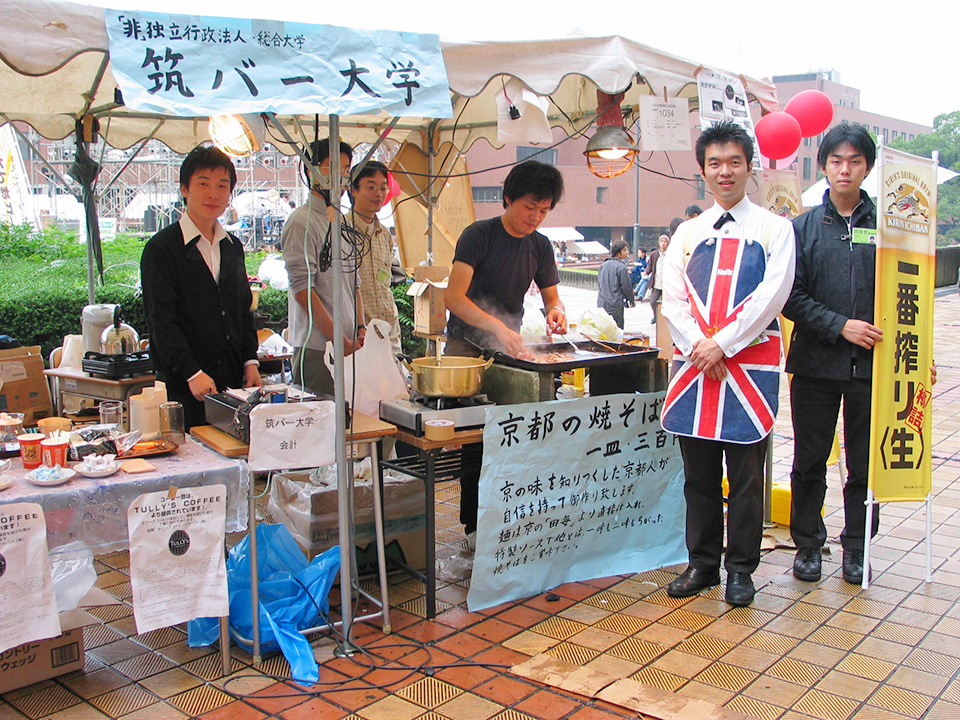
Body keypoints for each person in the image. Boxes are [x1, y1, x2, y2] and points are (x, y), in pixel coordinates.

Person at [660, 121, 796, 607]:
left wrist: (725, 345)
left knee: (744, 479)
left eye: (734, 161)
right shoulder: (688, 233)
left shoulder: (776, 229)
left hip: (747, 371)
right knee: (698, 474)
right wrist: (702, 345)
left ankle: (741, 569)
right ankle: (702, 563)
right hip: (698, 368)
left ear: (749, 166)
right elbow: (671, 298)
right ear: (702, 170)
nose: (724, 171)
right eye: (714, 163)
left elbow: (772, 295)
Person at [445, 160, 567, 547]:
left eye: (544, 210)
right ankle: (473, 527)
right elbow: (453, 297)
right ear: (508, 198)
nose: (535, 217)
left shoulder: (540, 245)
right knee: (475, 440)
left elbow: (552, 297)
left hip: (509, 350)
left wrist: (556, 312)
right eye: (529, 207)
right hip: (467, 351)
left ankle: (508, 518)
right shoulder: (478, 235)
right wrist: (496, 325)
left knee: (512, 435)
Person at [783, 125, 885, 584]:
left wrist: (919, 353)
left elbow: (912, 295)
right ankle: (808, 544)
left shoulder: (889, 229)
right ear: (822, 166)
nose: (845, 169)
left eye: (855, 161)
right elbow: (790, 296)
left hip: (874, 368)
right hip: (815, 366)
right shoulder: (801, 229)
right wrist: (839, 325)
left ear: (867, 166)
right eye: (836, 161)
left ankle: (857, 548)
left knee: (865, 462)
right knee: (810, 460)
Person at [141, 145, 262, 430]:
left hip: (232, 384)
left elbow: (242, 310)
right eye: (203, 184)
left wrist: (250, 361)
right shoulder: (162, 249)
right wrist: (191, 371)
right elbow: (160, 321)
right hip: (183, 386)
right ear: (184, 189)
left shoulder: (232, 247)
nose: (213, 194)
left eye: (222, 186)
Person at [281, 138, 366, 396]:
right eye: (333, 166)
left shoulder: (340, 219)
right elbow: (302, 291)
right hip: (318, 349)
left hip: (350, 345)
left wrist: (361, 328)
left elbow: (355, 283)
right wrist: (339, 341)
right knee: (322, 427)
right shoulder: (301, 222)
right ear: (311, 170)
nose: (341, 175)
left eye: (346, 168)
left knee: (351, 424)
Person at [347, 160, 402, 355]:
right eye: (370, 187)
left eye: (383, 188)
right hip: (358, 335)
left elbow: (384, 281)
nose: (378, 193)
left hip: (389, 330)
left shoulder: (385, 235)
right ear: (353, 190)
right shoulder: (341, 231)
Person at [597, 239, 635, 328]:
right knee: (617, 331)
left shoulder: (603, 266)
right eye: (625, 250)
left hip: (602, 303)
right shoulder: (621, 267)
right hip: (616, 304)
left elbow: (600, 284)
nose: (627, 252)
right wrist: (631, 300)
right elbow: (626, 286)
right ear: (619, 252)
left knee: (604, 330)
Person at [646, 234, 670, 325]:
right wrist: (646, 272)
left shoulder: (670, 253)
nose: (663, 243)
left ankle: (665, 318)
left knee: (666, 303)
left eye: (665, 241)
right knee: (653, 301)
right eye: (661, 241)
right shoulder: (654, 254)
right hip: (657, 282)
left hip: (667, 283)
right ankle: (655, 316)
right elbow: (650, 266)